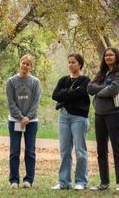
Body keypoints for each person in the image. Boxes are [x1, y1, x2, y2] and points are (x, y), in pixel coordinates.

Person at [87, 47, 119, 192]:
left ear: (116, 57)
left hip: (115, 114)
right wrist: (104, 88)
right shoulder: (101, 73)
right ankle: (104, 182)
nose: (108, 57)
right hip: (99, 115)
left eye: (111, 55)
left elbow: (114, 89)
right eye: (106, 55)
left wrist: (99, 90)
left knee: (117, 149)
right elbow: (89, 88)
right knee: (101, 150)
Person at [52, 53, 91, 191]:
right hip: (63, 117)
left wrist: (65, 94)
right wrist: (70, 93)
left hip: (79, 118)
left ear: (80, 64)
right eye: (69, 62)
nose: (71, 65)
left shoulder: (85, 80)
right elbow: (54, 95)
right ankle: (64, 182)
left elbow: (80, 94)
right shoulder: (63, 80)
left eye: (73, 62)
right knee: (64, 150)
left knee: (80, 151)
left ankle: (81, 181)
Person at [6, 54, 41, 189]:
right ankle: (14, 180)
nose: (25, 66)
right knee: (14, 151)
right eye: (23, 63)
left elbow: (36, 102)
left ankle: (28, 180)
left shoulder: (35, 82)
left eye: (28, 64)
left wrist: (28, 117)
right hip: (15, 120)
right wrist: (20, 118)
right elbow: (11, 102)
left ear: (31, 66)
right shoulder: (11, 81)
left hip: (32, 121)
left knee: (30, 151)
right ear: (20, 63)